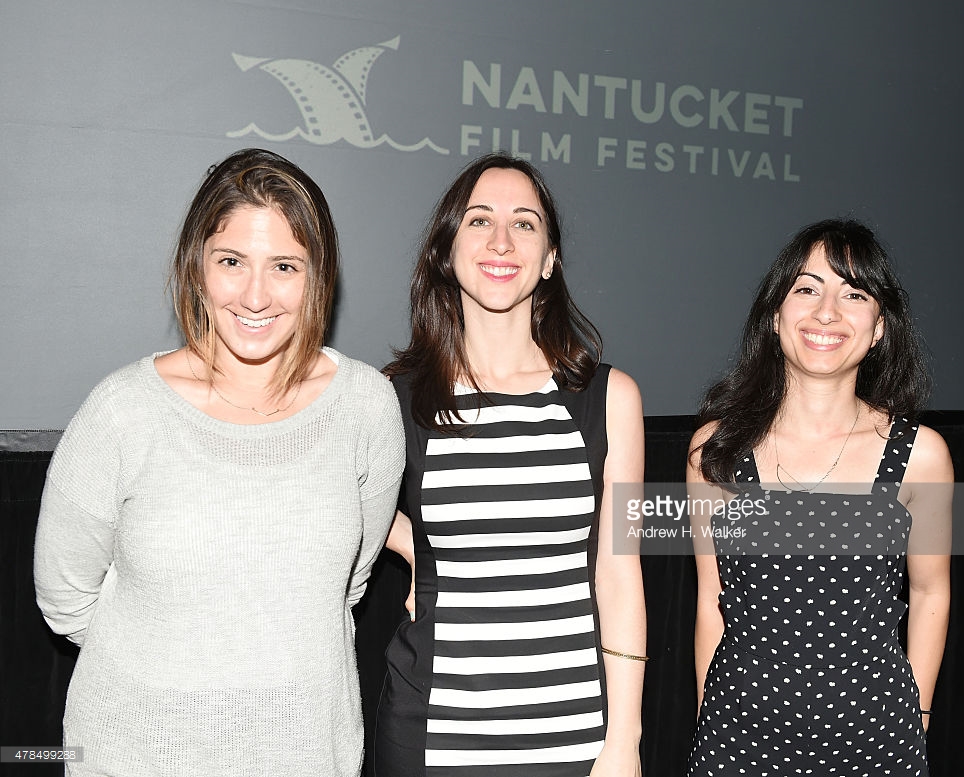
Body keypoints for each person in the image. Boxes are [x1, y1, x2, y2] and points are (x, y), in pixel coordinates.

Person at [34, 147, 405, 777]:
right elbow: (65, 598)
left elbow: (345, 587)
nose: (256, 295)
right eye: (231, 261)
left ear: (319, 277)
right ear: (196, 266)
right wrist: (180, 689)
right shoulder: (122, 411)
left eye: (285, 266)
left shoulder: (365, 407)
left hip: (305, 754)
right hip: (138, 755)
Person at [373, 152, 646, 777]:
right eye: (479, 221)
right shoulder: (397, 400)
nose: (502, 240)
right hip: (430, 732)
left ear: (549, 259)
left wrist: (624, 739)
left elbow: (622, 573)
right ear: (447, 250)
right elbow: (317, 489)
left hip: (573, 737)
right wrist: (415, 544)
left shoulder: (613, 400)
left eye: (525, 223)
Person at [686, 219, 953, 776]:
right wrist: (709, 726)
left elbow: (930, 593)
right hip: (740, 742)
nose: (827, 312)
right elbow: (712, 601)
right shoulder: (716, 451)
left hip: (877, 744)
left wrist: (917, 718)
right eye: (807, 288)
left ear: (879, 327)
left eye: (854, 293)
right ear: (776, 313)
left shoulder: (920, 455)